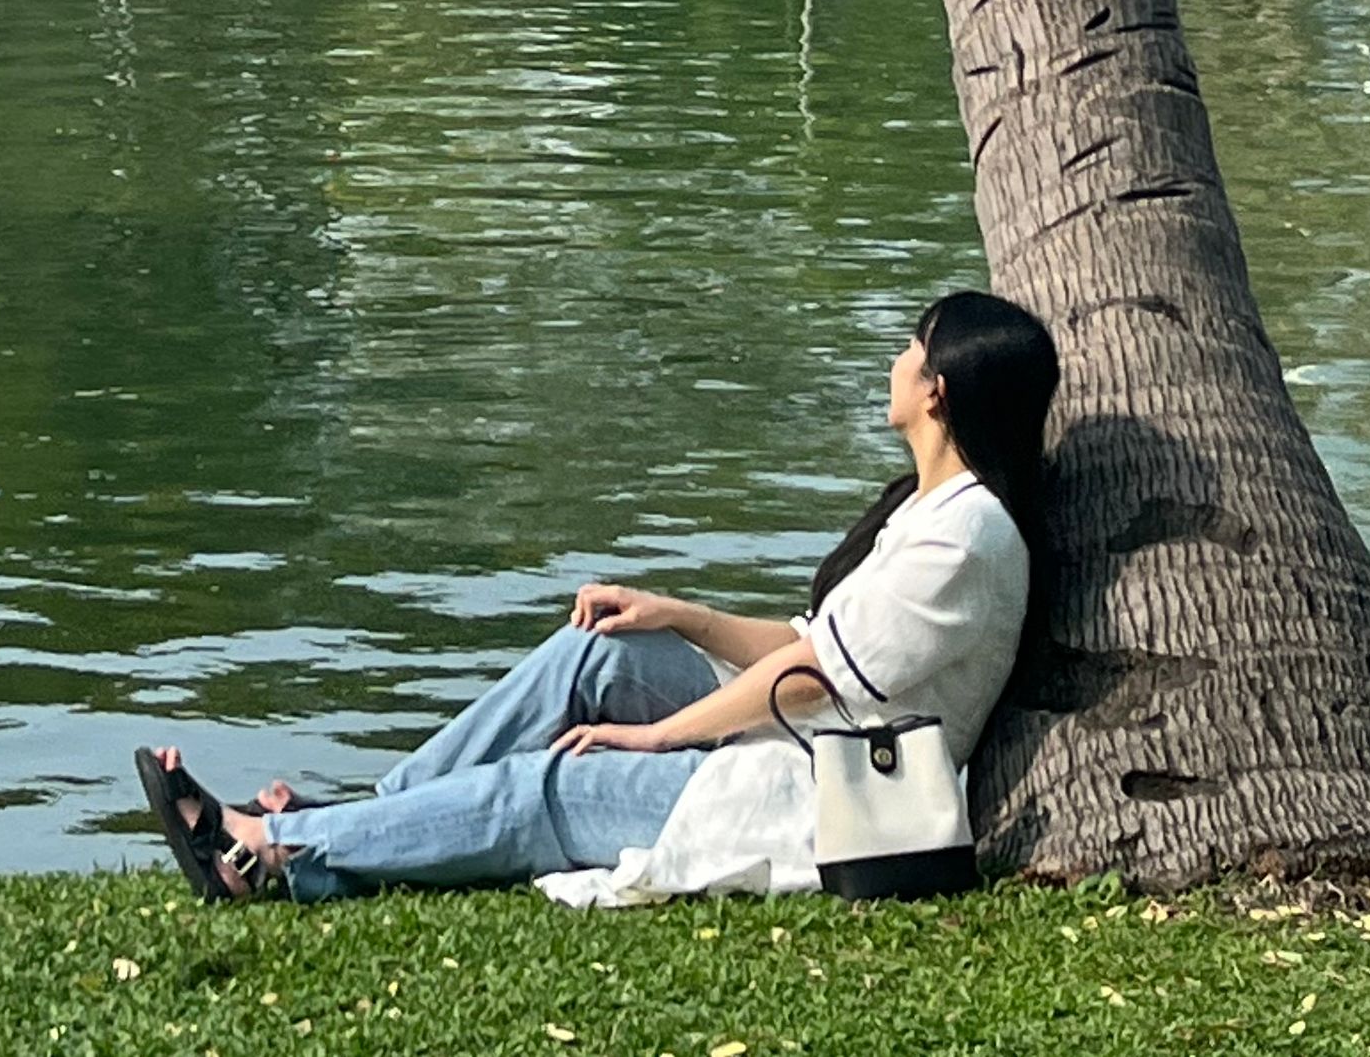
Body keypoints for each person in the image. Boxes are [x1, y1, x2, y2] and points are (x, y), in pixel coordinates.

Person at [137, 290, 1057, 906]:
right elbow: (808, 639)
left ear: (936, 390)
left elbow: (814, 675)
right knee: (600, 648)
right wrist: (672, 612)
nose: (894, 356)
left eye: (911, 343)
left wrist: (654, 735)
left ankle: (279, 852)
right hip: (796, 732)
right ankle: (364, 812)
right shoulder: (929, 506)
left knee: (552, 786)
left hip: (819, 793)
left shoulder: (965, 536)